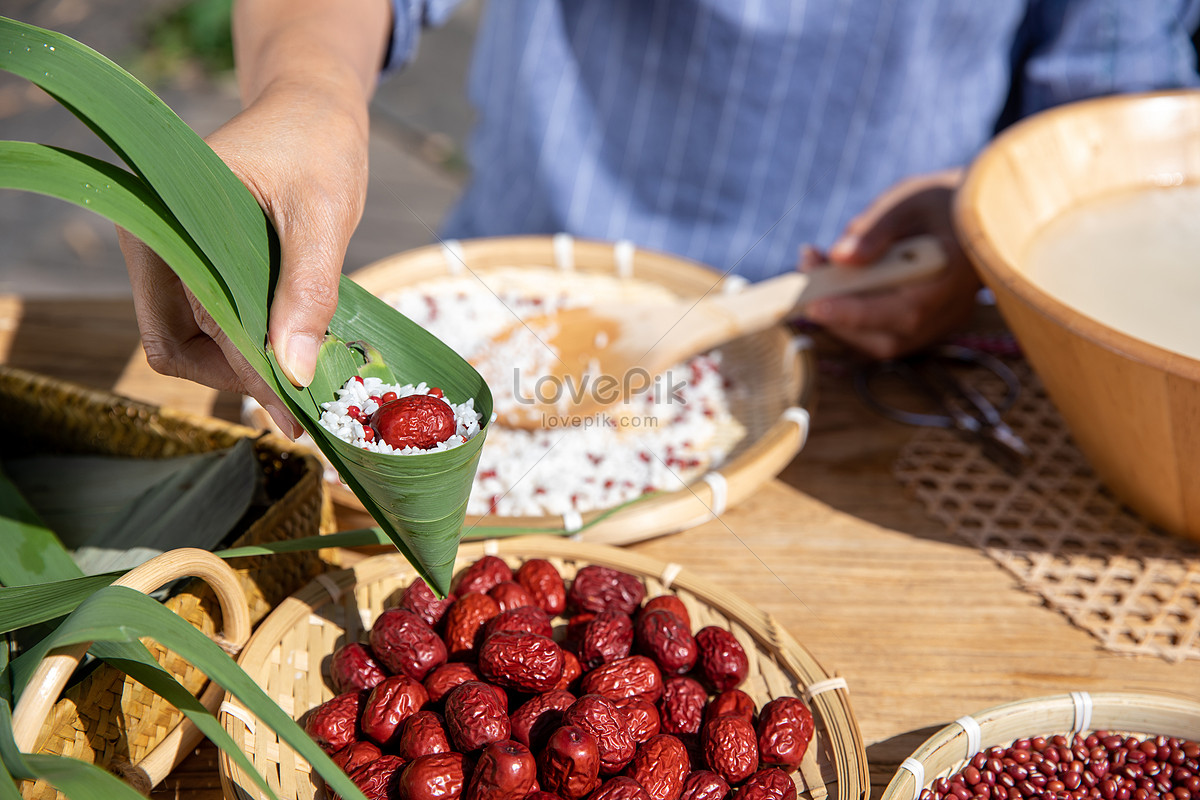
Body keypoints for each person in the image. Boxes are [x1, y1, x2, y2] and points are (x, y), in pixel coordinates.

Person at [119, 0, 1200, 436]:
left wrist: (980, 226)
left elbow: (1108, 110)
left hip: (904, 374)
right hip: (515, 300)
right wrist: (308, 88)